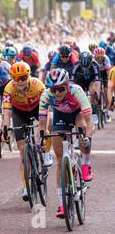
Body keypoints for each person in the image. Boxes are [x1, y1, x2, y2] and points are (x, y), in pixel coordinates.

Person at [39, 68, 93, 218]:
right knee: (59, 158)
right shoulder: (46, 95)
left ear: (67, 84)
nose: (57, 93)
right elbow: (42, 123)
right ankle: (62, 203)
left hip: (77, 114)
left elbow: (89, 120)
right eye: (53, 90)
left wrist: (87, 137)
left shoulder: (77, 91)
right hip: (60, 116)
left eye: (61, 89)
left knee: (82, 129)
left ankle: (86, 163)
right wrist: (42, 139)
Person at [2, 62, 52, 202]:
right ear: (12, 78)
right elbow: (6, 113)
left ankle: (46, 154)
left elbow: (45, 111)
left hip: (38, 109)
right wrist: (5, 130)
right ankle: (26, 186)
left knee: (48, 125)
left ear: (29, 75)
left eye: (23, 77)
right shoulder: (9, 88)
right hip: (20, 113)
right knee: (23, 149)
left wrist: (41, 130)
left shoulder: (38, 85)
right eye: (17, 78)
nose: (20, 81)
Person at [70, 51, 101, 125]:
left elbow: (97, 81)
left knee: (92, 91)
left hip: (91, 81)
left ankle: (94, 111)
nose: (85, 68)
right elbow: (72, 81)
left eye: (87, 67)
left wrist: (98, 96)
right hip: (81, 81)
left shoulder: (94, 64)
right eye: (83, 67)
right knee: (78, 94)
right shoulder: (76, 65)